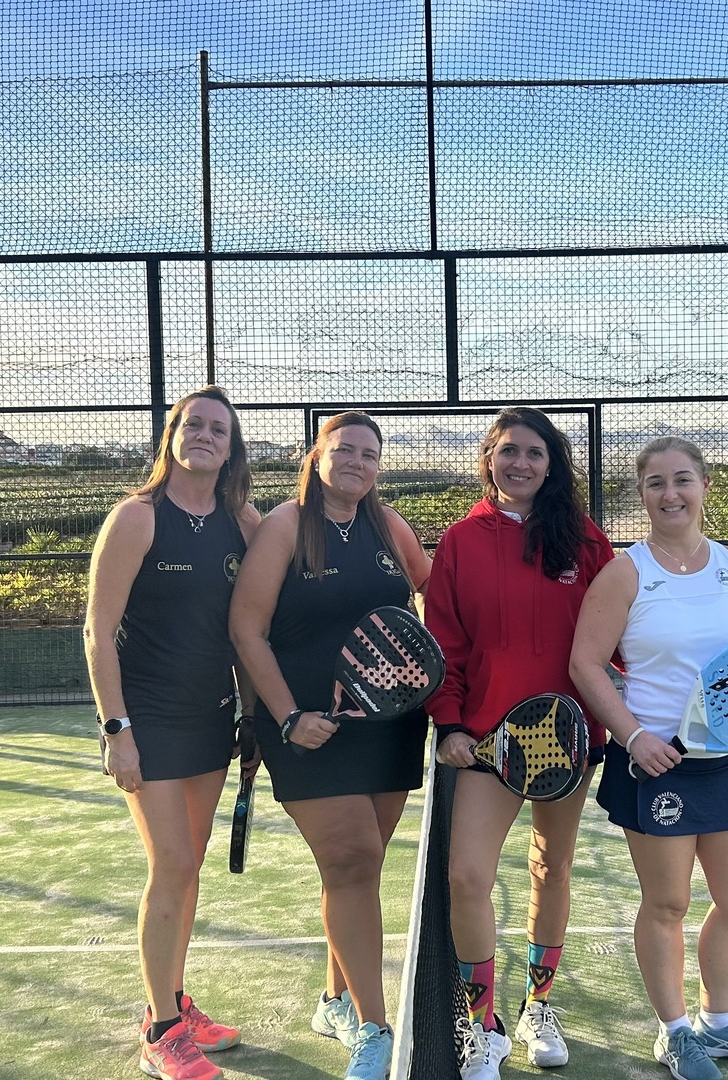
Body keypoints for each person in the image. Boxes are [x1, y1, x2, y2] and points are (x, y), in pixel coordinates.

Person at [568, 436, 728, 1080]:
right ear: (641, 493)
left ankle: (719, 1024)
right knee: (668, 903)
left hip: (727, 759)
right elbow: (585, 664)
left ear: (704, 486)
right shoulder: (625, 573)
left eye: (682, 480)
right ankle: (675, 1034)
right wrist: (632, 737)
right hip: (656, 764)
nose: (670, 494)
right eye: (656, 483)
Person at [228, 410, 433, 1080]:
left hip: (390, 726)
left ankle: (333, 1001)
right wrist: (288, 717)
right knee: (351, 860)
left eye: (369, 454)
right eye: (344, 449)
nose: (357, 462)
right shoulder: (285, 526)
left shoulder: (388, 525)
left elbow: (439, 592)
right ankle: (375, 1029)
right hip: (307, 729)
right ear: (316, 457)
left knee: (356, 871)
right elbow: (247, 628)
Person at [424, 408, 615, 1078]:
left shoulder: (586, 541)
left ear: (551, 464)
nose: (521, 463)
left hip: (567, 739)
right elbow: (445, 643)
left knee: (550, 868)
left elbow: (619, 639)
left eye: (534, 452)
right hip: (486, 743)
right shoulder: (460, 541)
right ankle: (483, 1027)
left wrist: (621, 713)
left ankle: (539, 1006)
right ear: (489, 460)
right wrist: (450, 722)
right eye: (508, 451)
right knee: (467, 876)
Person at [84, 386, 263, 1080]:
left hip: (211, 719)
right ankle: (160, 1031)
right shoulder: (136, 516)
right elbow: (98, 630)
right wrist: (117, 730)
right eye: (194, 425)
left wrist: (253, 715)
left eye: (219, 429)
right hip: (147, 721)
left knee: (191, 865)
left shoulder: (242, 521)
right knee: (174, 864)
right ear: (173, 436)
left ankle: (176, 1001)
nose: (205, 436)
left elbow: (251, 627)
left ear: (231, 447)